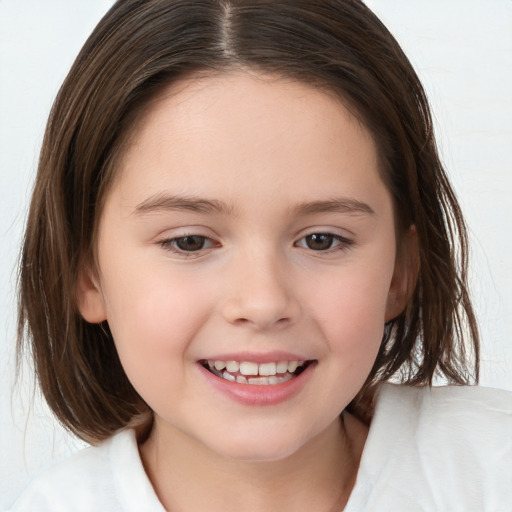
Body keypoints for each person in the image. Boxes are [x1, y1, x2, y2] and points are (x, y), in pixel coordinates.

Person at [10, 0, 511, 510]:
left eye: (322, 239)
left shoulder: (493, 471)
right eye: (190, 241)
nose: (263, 301)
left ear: (400, 272)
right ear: (87, 275)